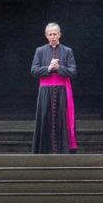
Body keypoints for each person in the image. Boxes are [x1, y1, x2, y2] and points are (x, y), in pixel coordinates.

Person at [30, 22, 77, 154]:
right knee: (45, 120)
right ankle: (44, 151)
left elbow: (73, 71)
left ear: (60, 34)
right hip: (45, 92)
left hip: (62, 92)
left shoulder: (67, 51)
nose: (52, 37)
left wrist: (59, 68)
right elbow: (34, 71)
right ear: (46, 36)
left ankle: (62, 151)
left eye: (55, 34)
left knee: (62, 121)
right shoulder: (40, 51)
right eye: (50, 34)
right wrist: (49, 69)